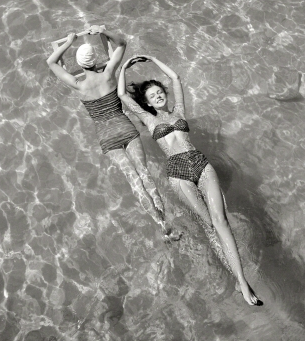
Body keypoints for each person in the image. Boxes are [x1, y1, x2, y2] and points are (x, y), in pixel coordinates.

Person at [118, 54, 261, 306]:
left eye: (159, 92)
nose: (158, 96)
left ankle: (241, 280)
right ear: (148, 103)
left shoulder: (180, 111)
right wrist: (124, 66)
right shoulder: (149, 119)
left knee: (221, 221)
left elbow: (175, 78)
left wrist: (152, 58)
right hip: (177, 172)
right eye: (152, 96)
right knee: (208, 225)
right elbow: (122, 96)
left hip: (201, 164)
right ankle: (239, 281)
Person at [46, 26, 180, 241]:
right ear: (93, 60)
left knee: (133, 179)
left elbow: (51, 62)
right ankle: (165, 218)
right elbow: (122, 43)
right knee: (144, 174)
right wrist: (103, 31)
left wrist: (68, 42)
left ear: (81, 65)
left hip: (107, 137)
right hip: (126, 129)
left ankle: (160, 224)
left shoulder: (78, 85)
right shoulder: (109, 75)